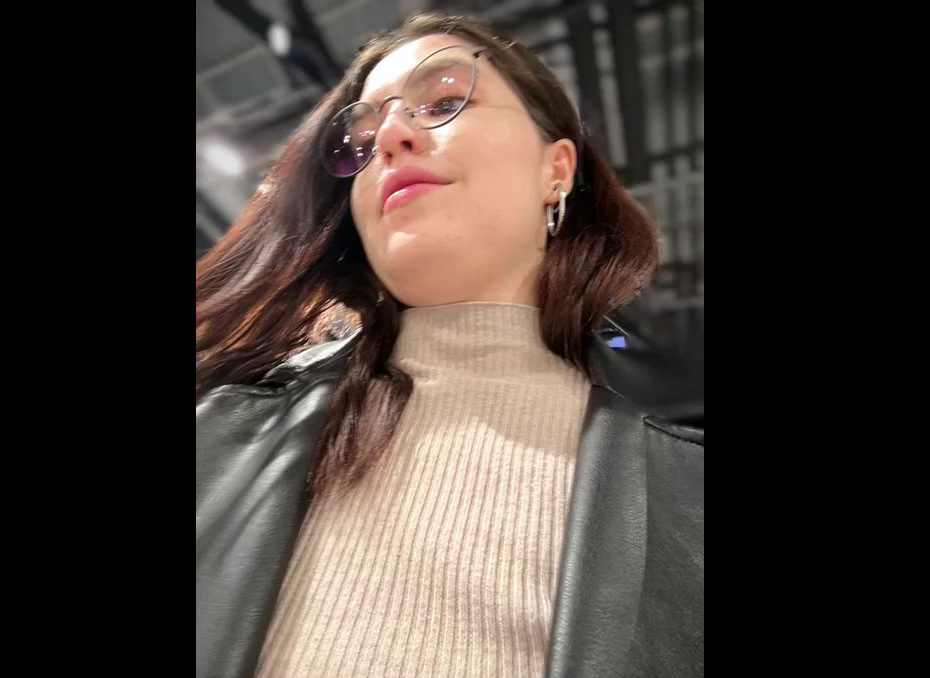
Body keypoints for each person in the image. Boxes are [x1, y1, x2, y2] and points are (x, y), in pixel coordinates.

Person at [196, 12, 702, 678]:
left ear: (556, 169)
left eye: (442, 101)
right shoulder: (215, 436)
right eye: (361, 140)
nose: (389, 138)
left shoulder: (688, 502)